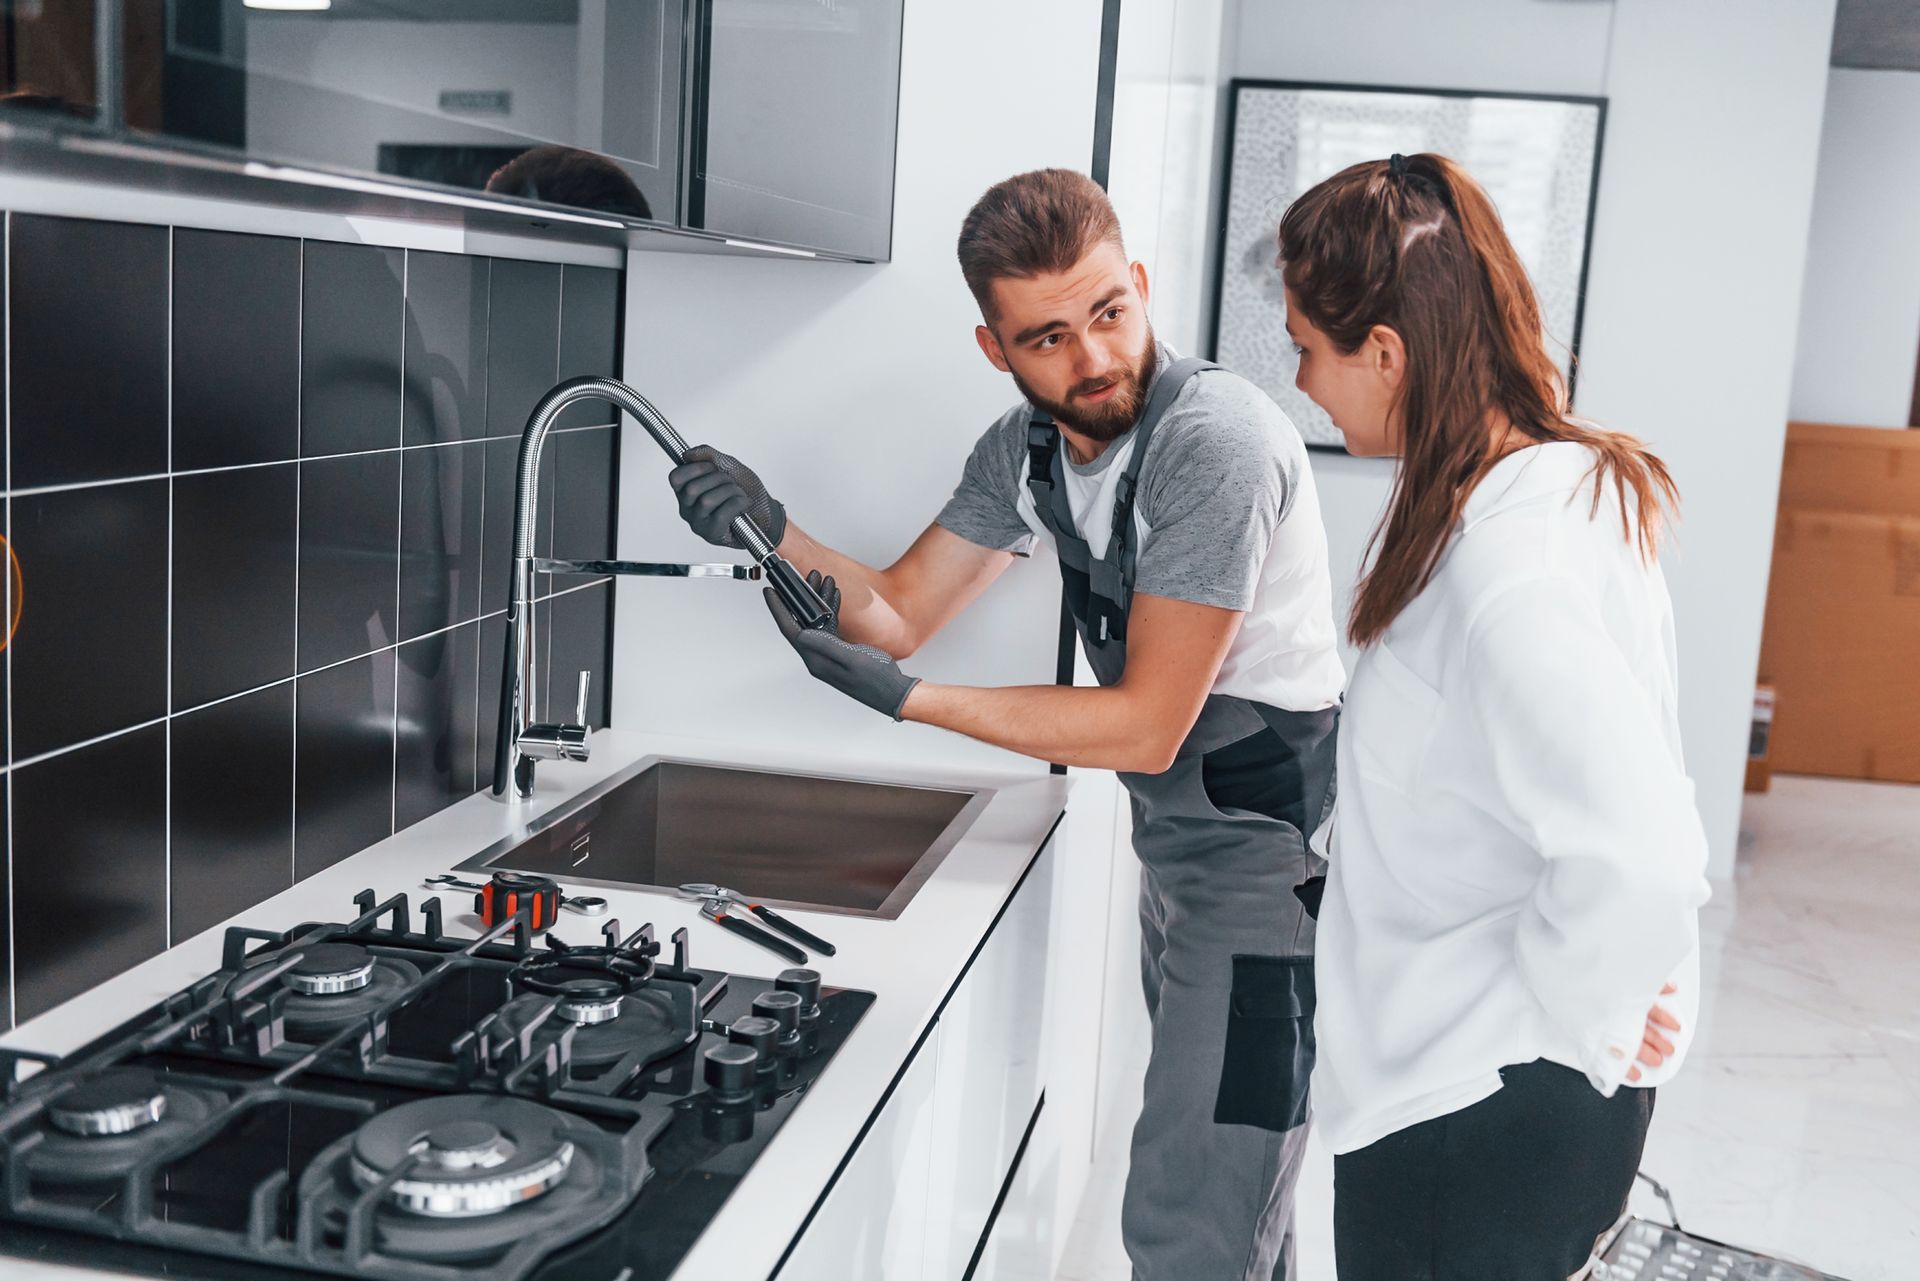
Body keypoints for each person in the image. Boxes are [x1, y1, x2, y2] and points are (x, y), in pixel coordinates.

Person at [667, 168, 1344, 1279]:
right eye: (1047, 339)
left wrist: (911, 707)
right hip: (1180, 852)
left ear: (1138, 283)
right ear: (997, 348)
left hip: (1267, 871)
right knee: (1230, 1204)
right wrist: (773, 527)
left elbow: (1147, 727)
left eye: (1110, 314)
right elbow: (899, 612)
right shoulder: (1028, 449)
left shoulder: (1211, 444)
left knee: (1193, 1225)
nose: (1091, 362)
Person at [1276, 152, 1711, 1280]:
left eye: (1308, 352)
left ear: (1387, 354)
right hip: (1497, 1095)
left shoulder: (1508, 564)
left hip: (1475, 1108)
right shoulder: (1554, 488)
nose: (1302, 383)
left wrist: (1586, 1018)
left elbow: (1644, 856)